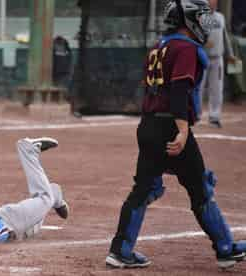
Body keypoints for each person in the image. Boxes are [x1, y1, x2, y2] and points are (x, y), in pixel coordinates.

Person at [105, 0, 246, 270]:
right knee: (200, 189)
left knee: (144, 189)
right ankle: (225, 249)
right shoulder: (185, 48)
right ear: (187, 22)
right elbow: (179, 91)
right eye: (200, 19)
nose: (205, 24)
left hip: (148, 125)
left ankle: (120, 250)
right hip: (171, 126)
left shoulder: (159, 46)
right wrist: (182, 130)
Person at [199, 0, 238, 128]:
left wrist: (230, 54)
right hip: (202, 57)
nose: (213, 4)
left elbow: (225, 36)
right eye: (211, 2)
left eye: (215, 2)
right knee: (198, 87)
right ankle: (196, 115)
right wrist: (203, 43)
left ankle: (214, 117)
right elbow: (194, 36)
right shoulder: (200, 17)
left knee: (217, 89)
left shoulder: (220, 17)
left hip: (217, 58)